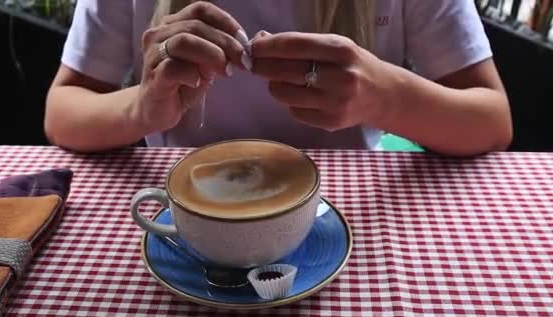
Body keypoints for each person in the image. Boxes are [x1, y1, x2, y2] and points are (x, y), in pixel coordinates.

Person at [45, 0, 513, 156]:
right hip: (182, 220)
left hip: (349, 227)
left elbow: (491, 121)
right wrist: (142, 107)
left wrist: (384, 97)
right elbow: (64, 111)